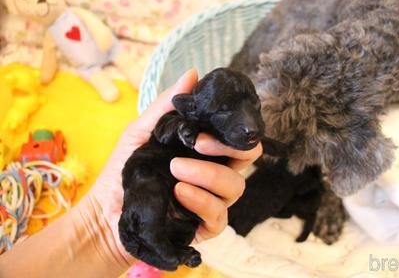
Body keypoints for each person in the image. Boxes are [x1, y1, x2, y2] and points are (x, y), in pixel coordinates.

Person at [0, 69, 261, 277]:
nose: (250, 124)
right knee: (152, 195)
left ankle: (170, 248)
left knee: (185, 221)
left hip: (176, 203)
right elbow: (162, 130)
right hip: (150, 174)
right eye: (225, 110)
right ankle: (159, 245)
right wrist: (181, 129)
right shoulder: (180, 118)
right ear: (192, 107)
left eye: (254, 106)